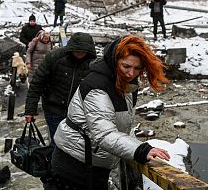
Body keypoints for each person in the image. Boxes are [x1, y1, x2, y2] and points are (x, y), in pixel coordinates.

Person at [51, 35, 171, 190]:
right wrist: (140, 150)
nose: (131, 73)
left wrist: (135, 146)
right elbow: (105, 134)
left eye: (137, 68)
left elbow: (122, 127)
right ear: (115, 61)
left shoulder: (125, 85)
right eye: (126, 66)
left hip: (94, 164)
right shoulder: (97, 86)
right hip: (74, 167)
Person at [24, 32, 97, 146]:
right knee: (57, 143)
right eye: (76, 51)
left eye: (82, 52)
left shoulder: (92, 64)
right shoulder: (55, 57)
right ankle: (54, 161)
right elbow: (38, 82)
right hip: (54, 108)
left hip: (77, 112)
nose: (79, 54)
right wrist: (30, 110)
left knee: (74, 144)